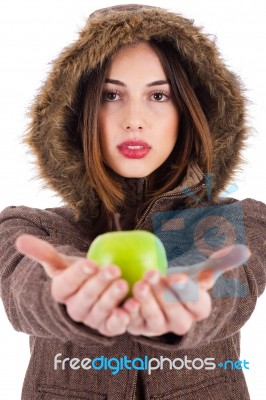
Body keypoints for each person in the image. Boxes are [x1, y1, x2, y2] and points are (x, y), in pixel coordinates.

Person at [0, 4, 265, 399]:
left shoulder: (238, 221)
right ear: (76, 113)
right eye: (111, 94)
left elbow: (230, 281)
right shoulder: (28, 228)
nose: (134, 119)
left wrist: (187, 302)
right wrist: (66, 293)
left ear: (191, 113)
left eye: (159, 95)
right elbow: (24, 287)